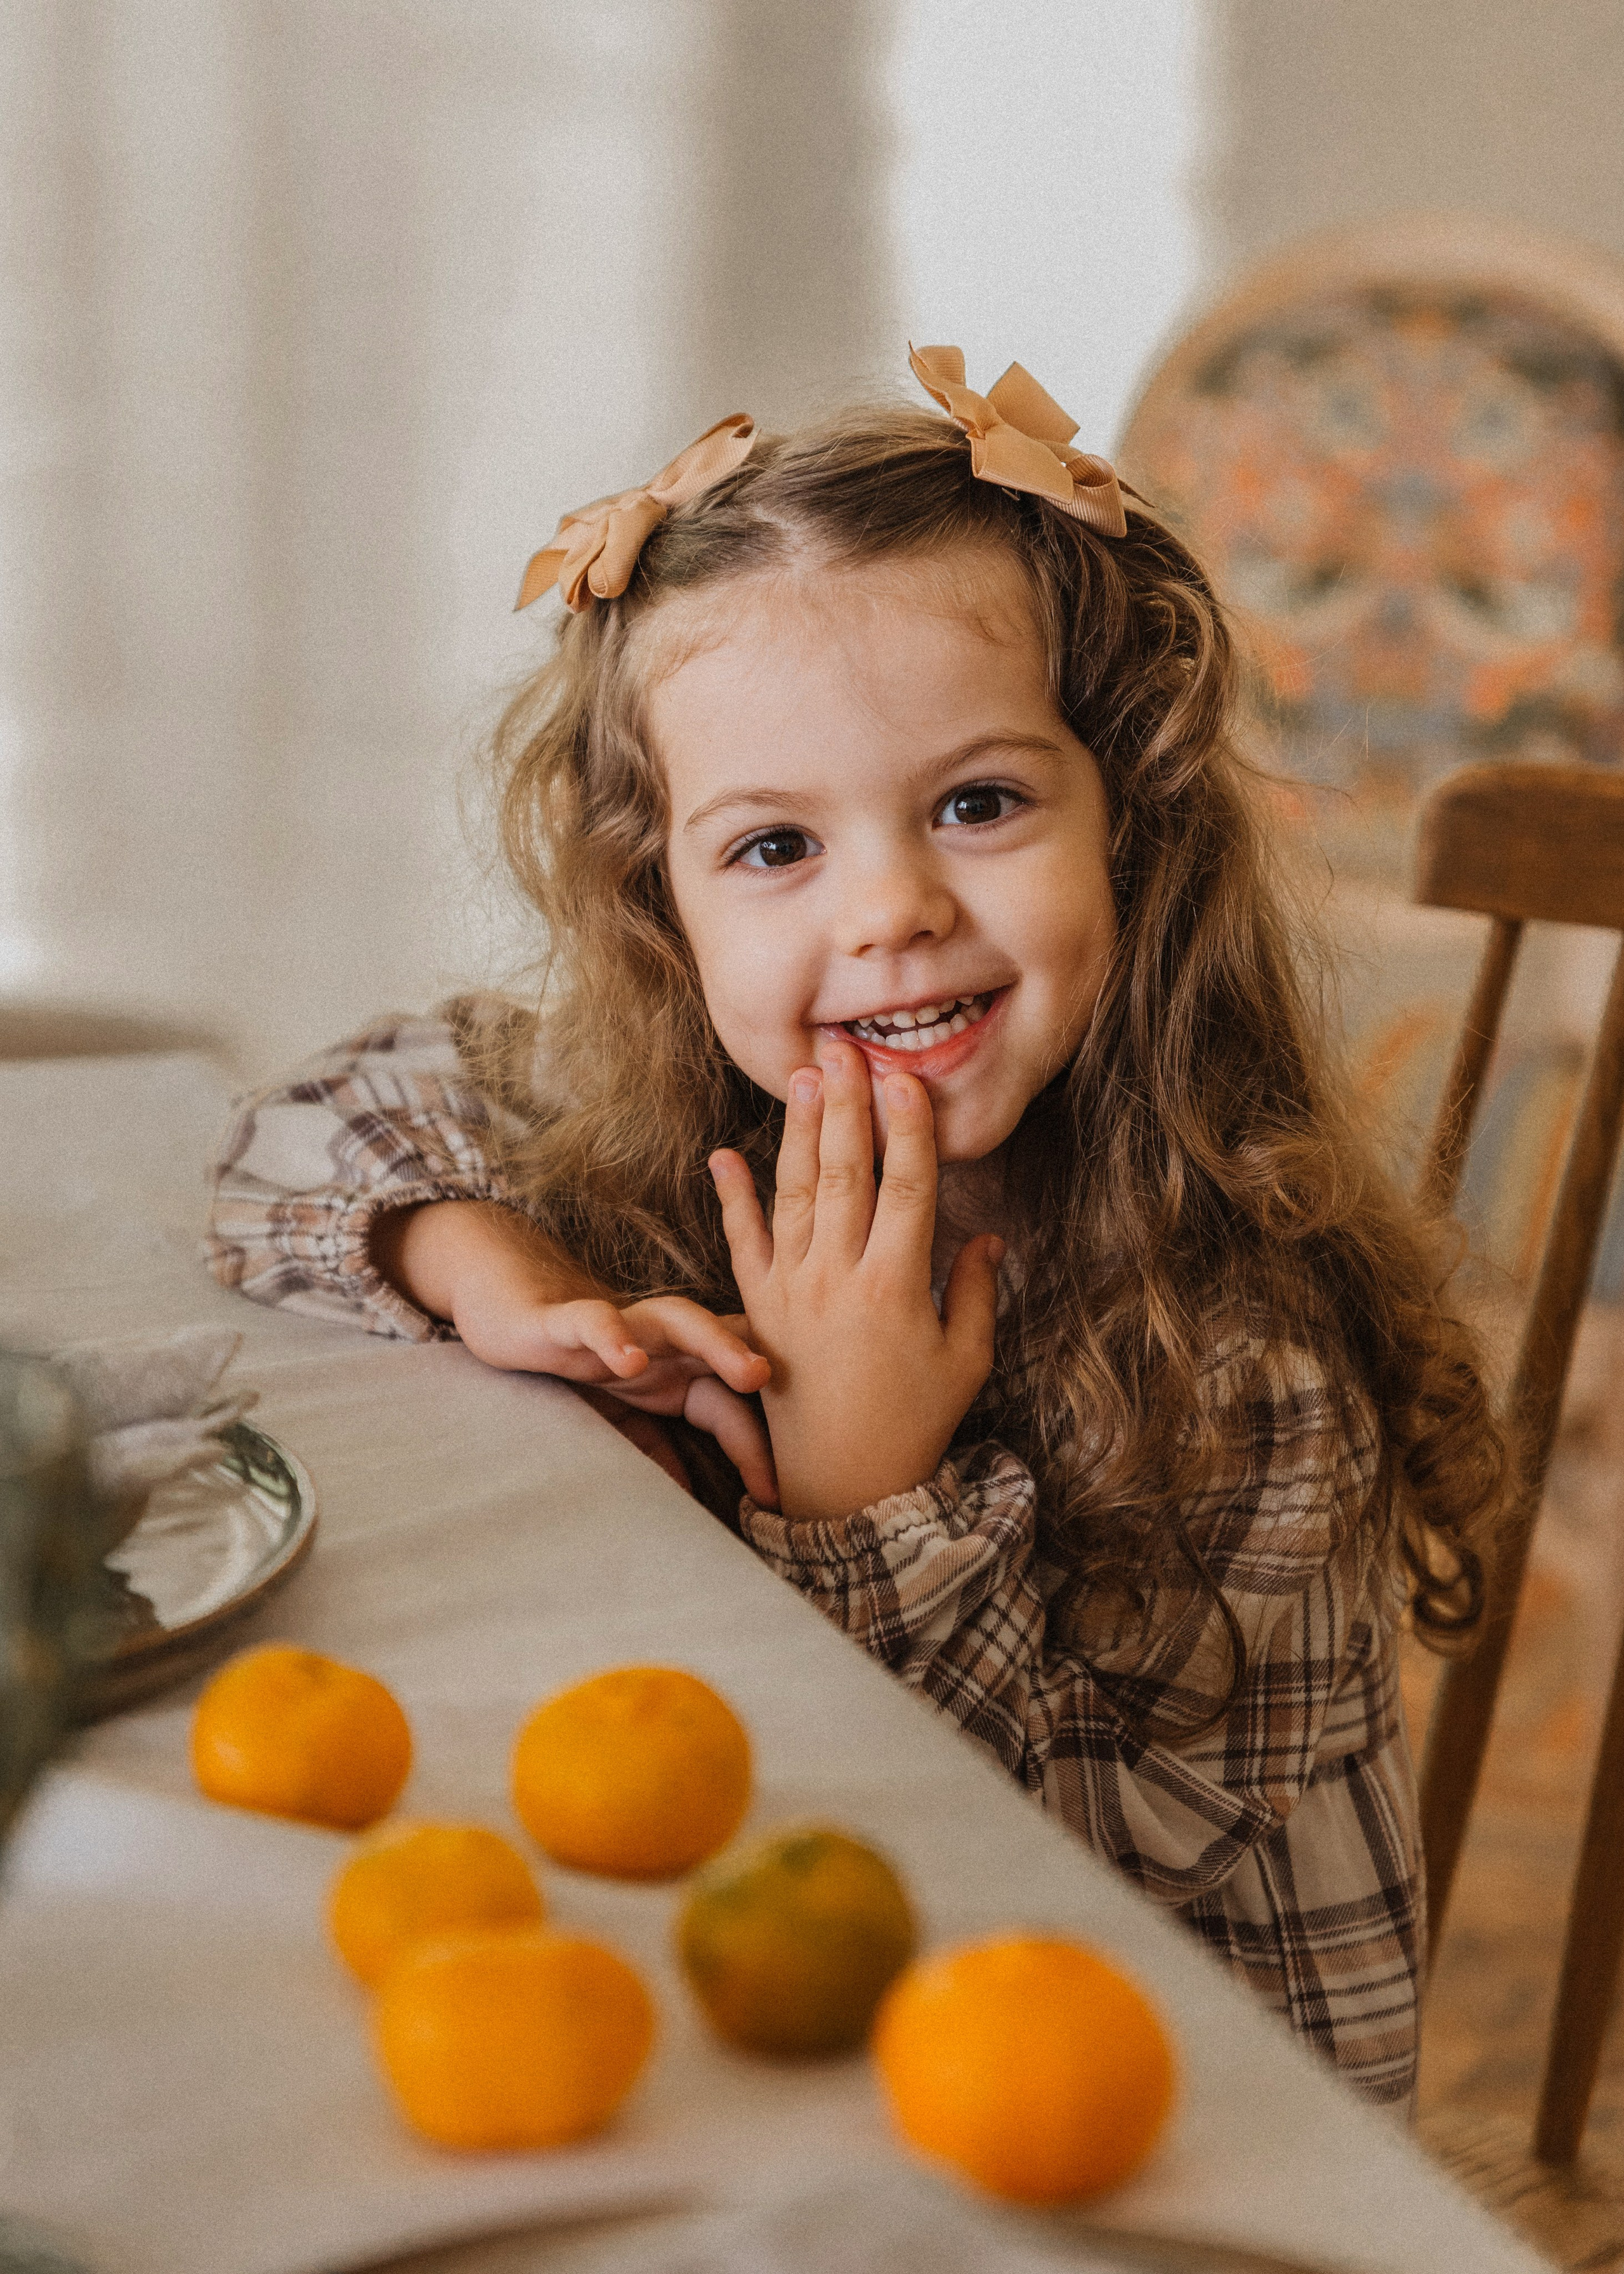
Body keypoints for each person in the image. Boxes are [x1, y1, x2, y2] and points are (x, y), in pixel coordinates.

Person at [207, 345, 1505, 2105]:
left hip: (1157, 2128)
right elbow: (317, 1115)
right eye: (773, 849)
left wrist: (861, 1495)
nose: (891, 908)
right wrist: (485, 1262)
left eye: (978, 804)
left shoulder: (1243, 1362)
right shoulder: (672, 1116)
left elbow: (995, 1899)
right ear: (655, 907)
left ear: (1131, 822)